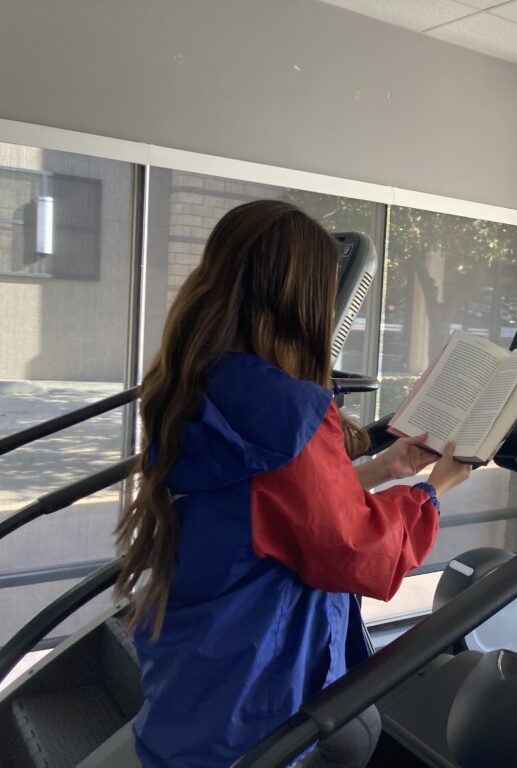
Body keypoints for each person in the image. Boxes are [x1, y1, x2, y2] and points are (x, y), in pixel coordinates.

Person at [113, 200, 471, 766]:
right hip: (256, 690)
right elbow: (356, 551)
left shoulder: (200, 377)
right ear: (302, 301)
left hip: (200, 668)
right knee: (354, 736)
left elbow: (267, 506)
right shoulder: (284, 413)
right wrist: (434, 490)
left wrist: (383, 468)